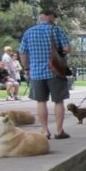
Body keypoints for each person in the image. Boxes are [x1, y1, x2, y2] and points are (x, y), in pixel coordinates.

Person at [18, 9, 71, 139]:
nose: (55, 20)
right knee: (58, 101)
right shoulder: (56, 30)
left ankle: (45, 131)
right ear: (50, 17)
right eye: (54, 17)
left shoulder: (29, 32)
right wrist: (59, 50)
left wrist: (27, 68)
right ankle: (59, 131)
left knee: (41, 102)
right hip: (55, 71)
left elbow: (23, 53)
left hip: (36, 73)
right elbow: (67, 48)